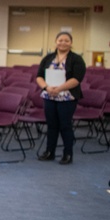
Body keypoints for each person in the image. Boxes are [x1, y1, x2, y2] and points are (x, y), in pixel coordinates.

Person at [35, 31, 86, 164]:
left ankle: (67, 154)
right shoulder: (48, 58)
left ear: (71, 43)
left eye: (66, 40)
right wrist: (46, 88)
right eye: (60, 40)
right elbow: (39, 76)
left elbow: (77, 79)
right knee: (52, 125)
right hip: (49, 95)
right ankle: (50, 152)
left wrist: (59, 88)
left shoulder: (76, 59)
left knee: (65, 125)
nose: (63, 43)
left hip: (67, 97)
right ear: (56, 42)